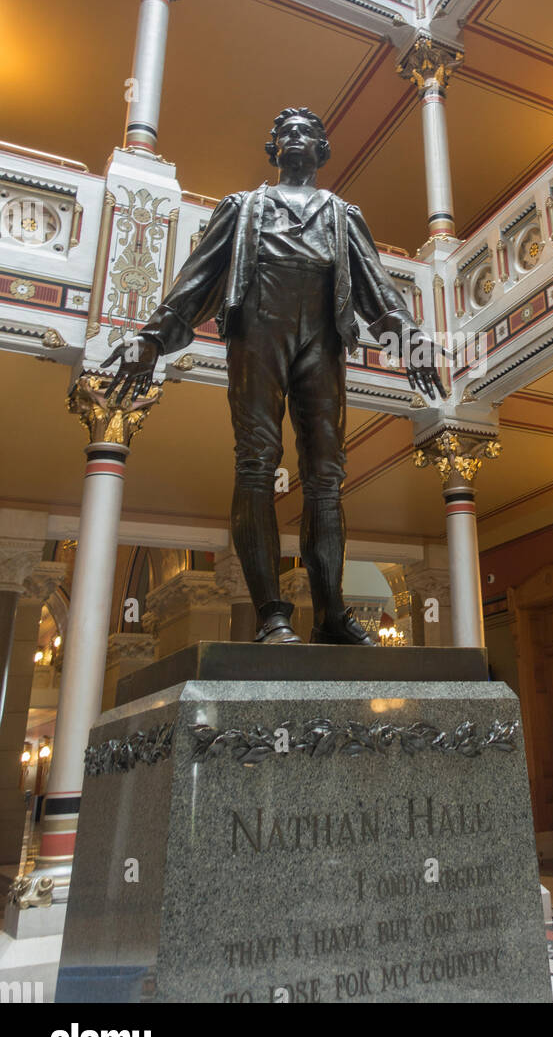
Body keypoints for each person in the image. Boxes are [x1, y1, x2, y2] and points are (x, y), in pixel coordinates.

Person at [105, 107, 445, 645]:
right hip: (259, 328)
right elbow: (197, 280)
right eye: (284, 133)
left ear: (321, 150)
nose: (293, 138)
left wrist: (411, 342)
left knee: (326, 475)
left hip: (323, 338)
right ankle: (271, 613)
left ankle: (331, 615)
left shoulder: (341, 214)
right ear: (273, 149)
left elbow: (378, 291)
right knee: (257, 462)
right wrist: (152, 337)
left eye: (305, 133)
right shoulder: (243, 208)